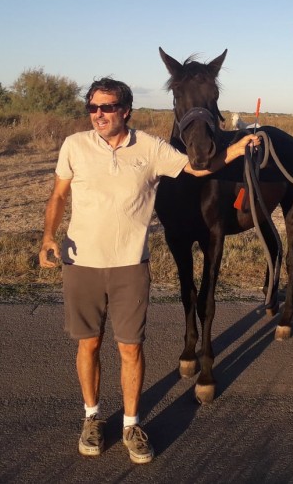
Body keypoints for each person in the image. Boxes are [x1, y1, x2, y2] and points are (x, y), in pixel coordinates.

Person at [39, 77, 259, 464]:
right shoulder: (75, 145)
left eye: (107, 107)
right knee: (88, 344)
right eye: (93, 108)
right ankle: (91, 418)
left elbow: (196, 169)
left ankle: (130, 423)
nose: (99, 115)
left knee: (131, 349)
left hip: (129, 265)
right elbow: (59, 194)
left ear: (125, 110)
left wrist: (238, 147)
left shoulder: (151, 148)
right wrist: (48, 236)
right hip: (81, 264)